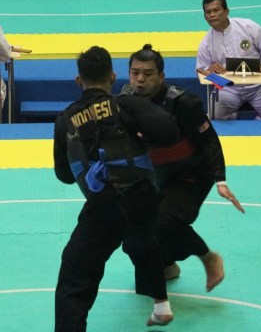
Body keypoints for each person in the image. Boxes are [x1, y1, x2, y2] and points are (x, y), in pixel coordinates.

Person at [53, 46, 180, 330]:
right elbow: (169, 130)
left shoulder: (65, 119)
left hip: (107, 203)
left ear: (78, 81)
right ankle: (161, 305)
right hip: (145, 194)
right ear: (112, 76)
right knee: (143, 241)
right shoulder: (126, 104)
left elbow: (63, 174)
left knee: (75, 274)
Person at [121, 44, 245, 292]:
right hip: (155, 174)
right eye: (135, 73)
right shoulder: (125, 100)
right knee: (132, 237)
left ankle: (208, 257)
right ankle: (166, 265)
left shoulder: (183, 103)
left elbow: (209, 140)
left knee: (165, 221)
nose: (140, 79)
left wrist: (220, 179)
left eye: (148, 73)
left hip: (191, 174)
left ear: (162, 77)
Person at [196, 0, 261, 120]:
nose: (212, 15)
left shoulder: (247, 26)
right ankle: (232, 116)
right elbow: (200, 70)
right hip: (228, 88)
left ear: (226, 11)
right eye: (208, 12)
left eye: (216, 10)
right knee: (214, 117)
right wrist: (210, 69)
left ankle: (259, 121)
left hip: (259, 85)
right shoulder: (206, 42)